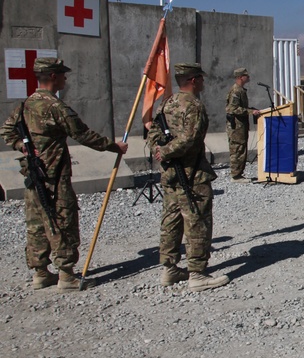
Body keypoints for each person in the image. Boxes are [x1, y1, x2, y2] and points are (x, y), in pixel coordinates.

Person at [1, 58, 128, 291]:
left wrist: (22, 146)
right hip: (54, 174)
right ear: (52, 77)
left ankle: (40, 273)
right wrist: (114, 146)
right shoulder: (56, 107)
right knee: (62, 219)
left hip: (33, 173)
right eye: (62, 74)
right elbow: (83, 135)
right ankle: (66, 275)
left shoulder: (25, 105)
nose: (65, 79)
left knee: (37, 221)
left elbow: (7, 129)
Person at [148, 63, 230, 290]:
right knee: (197, 221)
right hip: (191, 175)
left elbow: (153, 132)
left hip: (170, 174)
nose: (203, 83)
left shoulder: (165, 103)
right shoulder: (194, 106)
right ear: (193, 80)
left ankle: (169, 268)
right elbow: (190, 139)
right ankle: (197, 274)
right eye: (201, 79)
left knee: (171, 221)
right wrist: (165, 151)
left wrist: (158, 149)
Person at [226, 67, 261, 181]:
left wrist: (251, 109)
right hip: (236, 125)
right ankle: (236, 175)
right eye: (246, 75)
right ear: (241, 77)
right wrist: (250, 112)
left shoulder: (241, 90)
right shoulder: (236, 91)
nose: (248, 77)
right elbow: (232, 108)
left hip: (241, 125)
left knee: (241, 148)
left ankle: (239, 173)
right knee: (237, 149)